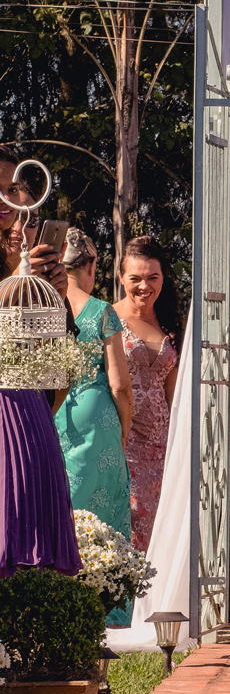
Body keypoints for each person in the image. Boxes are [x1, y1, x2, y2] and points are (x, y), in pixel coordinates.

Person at [0, 150, 80, 577]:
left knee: (28, 552)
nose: (9, 202)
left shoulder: (34, 275)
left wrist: (56, 299)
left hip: (29, 416)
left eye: (13, 190)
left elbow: (56, 376)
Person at [57, 230, 134, 621]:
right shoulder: (103, 311)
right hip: (97, 417)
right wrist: (123, 429)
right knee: (104, 518)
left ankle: (59, 603)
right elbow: (120, 385)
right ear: (90, 266)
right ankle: (106, 614)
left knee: (61, 510)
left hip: (54, 414)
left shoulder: (45, 305)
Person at [114, 236, 180, 552]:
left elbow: (174, 394)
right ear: (121, 277)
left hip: (164, 448)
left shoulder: (171, 323)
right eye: (135, 278)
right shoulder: (108, 318)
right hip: (124, 443)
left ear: (163, 278)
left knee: (162, 531)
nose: (145, 286)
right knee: (130, 529)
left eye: (153, 277)